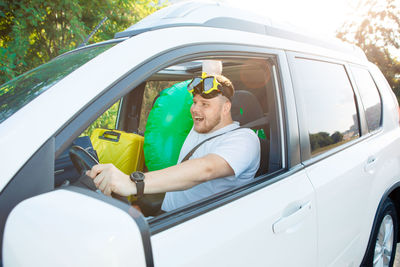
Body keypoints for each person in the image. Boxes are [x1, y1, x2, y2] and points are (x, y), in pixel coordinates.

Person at [86, 74, 260, 212]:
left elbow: (207, 168)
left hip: (197, 227)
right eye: (194, 102)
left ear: (226, 108)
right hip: (167, 215)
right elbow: (211, 70)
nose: (194, 109)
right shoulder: (201, 126)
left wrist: (132, 184)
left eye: (205, 104)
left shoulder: (245, 140)